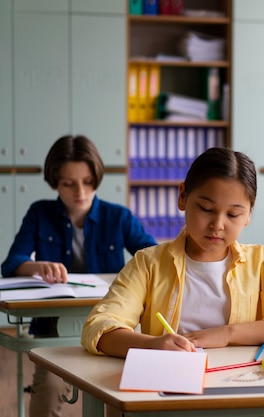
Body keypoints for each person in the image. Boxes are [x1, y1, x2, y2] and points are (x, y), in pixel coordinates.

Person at [81, 146, 264, 360]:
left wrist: (228, 334)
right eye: (206, 208)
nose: (218, 224)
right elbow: (99, 327)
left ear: (248, 214)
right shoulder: (148, 264)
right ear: (183, 196)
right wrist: (151, 345)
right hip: (172, 389)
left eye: (233, 214)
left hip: (242, 383)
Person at [1, 134, 157, 417]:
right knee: (47, 391)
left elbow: (154, 258)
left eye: (87, 182)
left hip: (111, 323)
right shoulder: (40, 213)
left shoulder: (118, 216)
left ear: (97, 177)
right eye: (68, 184)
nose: (80, 192)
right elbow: (12, 262)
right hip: (52, 325)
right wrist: (36, 267)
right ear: (54, 182)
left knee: (117, 393)